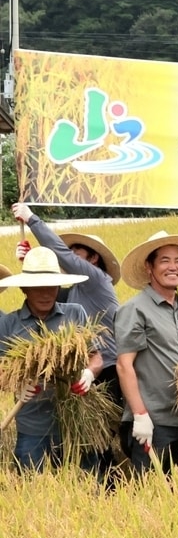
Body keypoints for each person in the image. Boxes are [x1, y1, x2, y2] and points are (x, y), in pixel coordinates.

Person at [12, 202, 124, 471]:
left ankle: (107, 489)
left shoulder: (97, 281)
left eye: (75, 254)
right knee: (82, 439)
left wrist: (32, 219)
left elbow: (61, 257)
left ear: (93, 258)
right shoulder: (71, 294)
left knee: (98, 441)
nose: (67, 258)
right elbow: (41, 296)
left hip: (104, 371)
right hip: (71, 375)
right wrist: (30, 263)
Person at [115, 230, 178, 474]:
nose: (173, 267)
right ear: (149, 267)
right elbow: (124, 365)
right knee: (151, 495)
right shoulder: (135, 309)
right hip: (154, 421)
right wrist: (139, 415)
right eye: (165, 261)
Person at [0, 251, 101, 471]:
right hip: (32, 428)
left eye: (52, 287)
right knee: (33, 492)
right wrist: (16, 383)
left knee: (87, 489)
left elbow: (96, 356)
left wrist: (89, 373)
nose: (46, 294)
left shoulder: (75, 314)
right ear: (24, 288)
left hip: (77, 423)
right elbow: (1, 372)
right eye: (38, 288)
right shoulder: (9, 324)